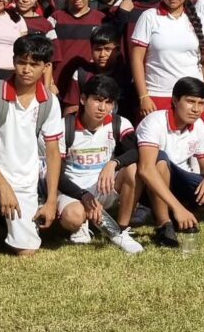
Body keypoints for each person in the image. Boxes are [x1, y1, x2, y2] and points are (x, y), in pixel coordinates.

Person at [0, 34, 63, 269]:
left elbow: (53, 153)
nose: (26, 69)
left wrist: (50, 201)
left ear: (46, 67)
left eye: (34, 64)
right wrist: (4, 188)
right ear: (14, 61)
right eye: (21, 62)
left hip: (24, 180)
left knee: (26, 250)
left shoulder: (50, 102)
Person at [52, 75, 144, 254]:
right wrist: (83, 195)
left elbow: (136, 152)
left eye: (109, 102)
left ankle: (122, 230)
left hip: (105, 186)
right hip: (74, 191)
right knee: (73, 217)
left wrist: (113, 164)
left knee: (133, 169)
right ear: (83, 99)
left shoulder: (119, 123)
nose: (103, 108)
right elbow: (56, 174)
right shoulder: (64, 127)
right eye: (97, 100)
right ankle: (82, 223)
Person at [136, 77, 204, 248]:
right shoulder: (154, 122)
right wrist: (178, 207)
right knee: (160, 160)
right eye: (190, 101)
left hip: (179, 176)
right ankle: (164, 224)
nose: (196, 109)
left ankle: (175, 212)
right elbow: (145, 169)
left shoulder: (199, 125)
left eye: (201, 103)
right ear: (175, 100)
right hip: (149, 181)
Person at [130, 0, 204, 120]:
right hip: (157, 95)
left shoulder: (199, 18)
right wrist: (143, 96)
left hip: (193, 97)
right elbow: (136, 59)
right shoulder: (149, 17)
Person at [50, 0, 107, 92]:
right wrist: (49, 82)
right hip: (57, 84)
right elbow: (45, 55)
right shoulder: (55, 18)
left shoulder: (101, 19)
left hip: (88, 84)